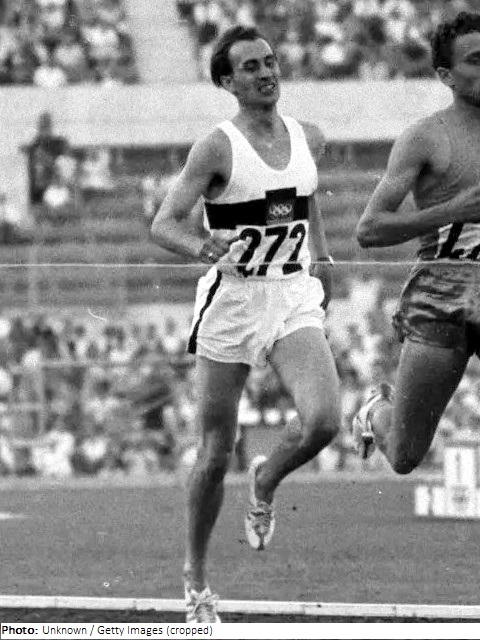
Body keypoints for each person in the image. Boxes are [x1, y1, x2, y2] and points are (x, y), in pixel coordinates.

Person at [151, 25, 341, 624]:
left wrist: (323, 257)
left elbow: (307, 200)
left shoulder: (309, 136)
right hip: (233, 302)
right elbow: (164, 223)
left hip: (291, 292)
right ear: (228, 82)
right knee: (214, 452)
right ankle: (196, 580)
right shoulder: (217, 147)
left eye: (270, 61)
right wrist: (205, 248)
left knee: (324, 421)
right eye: (251, 67)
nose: (266, 73)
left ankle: (265, 480)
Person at [352, 12, 480, 474]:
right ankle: (374, 412)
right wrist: (452, 210)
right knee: (405, 455)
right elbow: (369, 230)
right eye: (475, 60)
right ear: (446, 75)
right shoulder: (425, 138)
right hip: (441, 290)